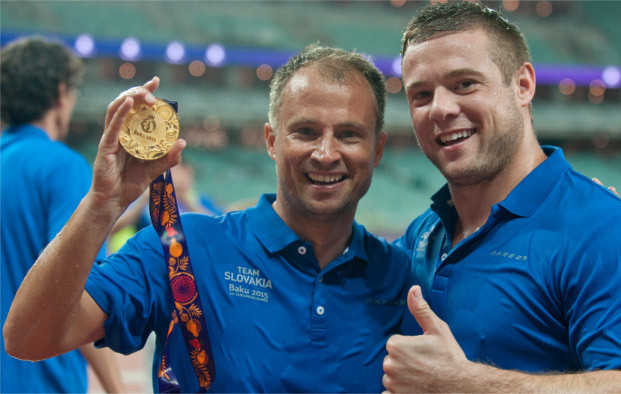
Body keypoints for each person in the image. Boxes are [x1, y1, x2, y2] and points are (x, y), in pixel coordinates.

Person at [4, 44, 410, 392]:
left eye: (349, 134)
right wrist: (101, 205)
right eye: (304, 131)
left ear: (377, 150)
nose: (325, 153)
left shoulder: (400, 277)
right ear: (271, 141)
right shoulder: (179, 248)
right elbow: (29, 338)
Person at [382, 2, 621, 392]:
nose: (440, 108)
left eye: (465, 84)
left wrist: (462, 383)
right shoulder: (423, 233)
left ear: (522, 85)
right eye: (421, 94)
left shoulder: (608, 231)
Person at [0, 36, 124, 393]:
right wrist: (116, 388)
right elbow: (75, 292)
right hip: (40, 380)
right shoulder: (62, 167)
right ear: (59, 93)